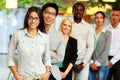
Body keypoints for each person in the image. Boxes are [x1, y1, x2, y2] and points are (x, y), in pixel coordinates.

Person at [7, 6, 51, 80]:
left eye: (36, 18)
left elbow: (47, 58)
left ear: (40, 20)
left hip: (41, 77)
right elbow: (10, 57)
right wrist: (16, 75)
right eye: (31, 17)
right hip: (23, 77)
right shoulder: (17, 34)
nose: (33, 21)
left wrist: (47, 73)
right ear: (27, 18)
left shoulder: (45, 37)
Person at [42, 2, 65, 80]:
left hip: (52, 73)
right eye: (47, 12)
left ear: (55, 17)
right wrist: (52, 53)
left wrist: (45, 53)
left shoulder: (59, 35)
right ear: (42, 14)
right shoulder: (34, 31)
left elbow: (60, 58)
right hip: (35, 72)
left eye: (52, 14)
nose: (49, 16)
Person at [71, 2, 94, 80]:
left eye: (81, 10)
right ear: (73, 11)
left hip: (83, 61)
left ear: (83, 12)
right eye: (76, 9)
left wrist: (83, 64)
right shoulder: (68, 25)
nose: (78, 12)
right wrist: (71, 63)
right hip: (69, 61)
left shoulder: (88, 27)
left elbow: (90, 47)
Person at [88, 11, 111, 80]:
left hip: (103, 64)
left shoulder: (108, 33)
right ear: (94, 19)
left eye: (101, 18)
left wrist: (97, 63)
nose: (99, 19)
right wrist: (91, 62)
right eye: (97, 18)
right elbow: (88, 47)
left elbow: (106, 50)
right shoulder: (90, 32)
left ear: (104, 19)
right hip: (91, 63)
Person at [106, 8, 120, 80]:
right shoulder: (106, 29)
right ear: (110, 16)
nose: (114, 17)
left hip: (118, 59)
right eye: (113, 15)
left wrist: (112, 61)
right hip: (106, 59)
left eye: (117, 15)